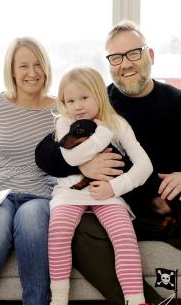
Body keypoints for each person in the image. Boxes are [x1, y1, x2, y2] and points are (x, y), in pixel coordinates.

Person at [36, 20, 181, 305]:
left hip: (174, 209)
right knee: (78, 232)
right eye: (116, 57)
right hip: (118, 208)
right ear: (109, 64)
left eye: (133, 53)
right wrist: (81, 166)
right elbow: (45, 153)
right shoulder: (96, 103)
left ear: (150, 55)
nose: (125, 64)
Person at [0, 37, 58, 305]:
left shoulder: (60, 109)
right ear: (12, 71)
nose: (32, 73)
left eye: (38, 64)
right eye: (23, 66)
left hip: (40, 195)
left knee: (30, 223)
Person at [49, 66, 153, 305]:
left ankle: (136, 300)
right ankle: (58, 299)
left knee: (124, 233)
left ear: (99, 94)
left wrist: (114, 188)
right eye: (70, 101)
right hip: (70, 193)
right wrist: (103, 135)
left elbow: (144, 165)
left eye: (84, 97)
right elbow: (72, 157)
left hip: (107, 193)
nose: (78, 106)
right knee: (58, 230)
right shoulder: (64, 123)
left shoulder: (117, 123)